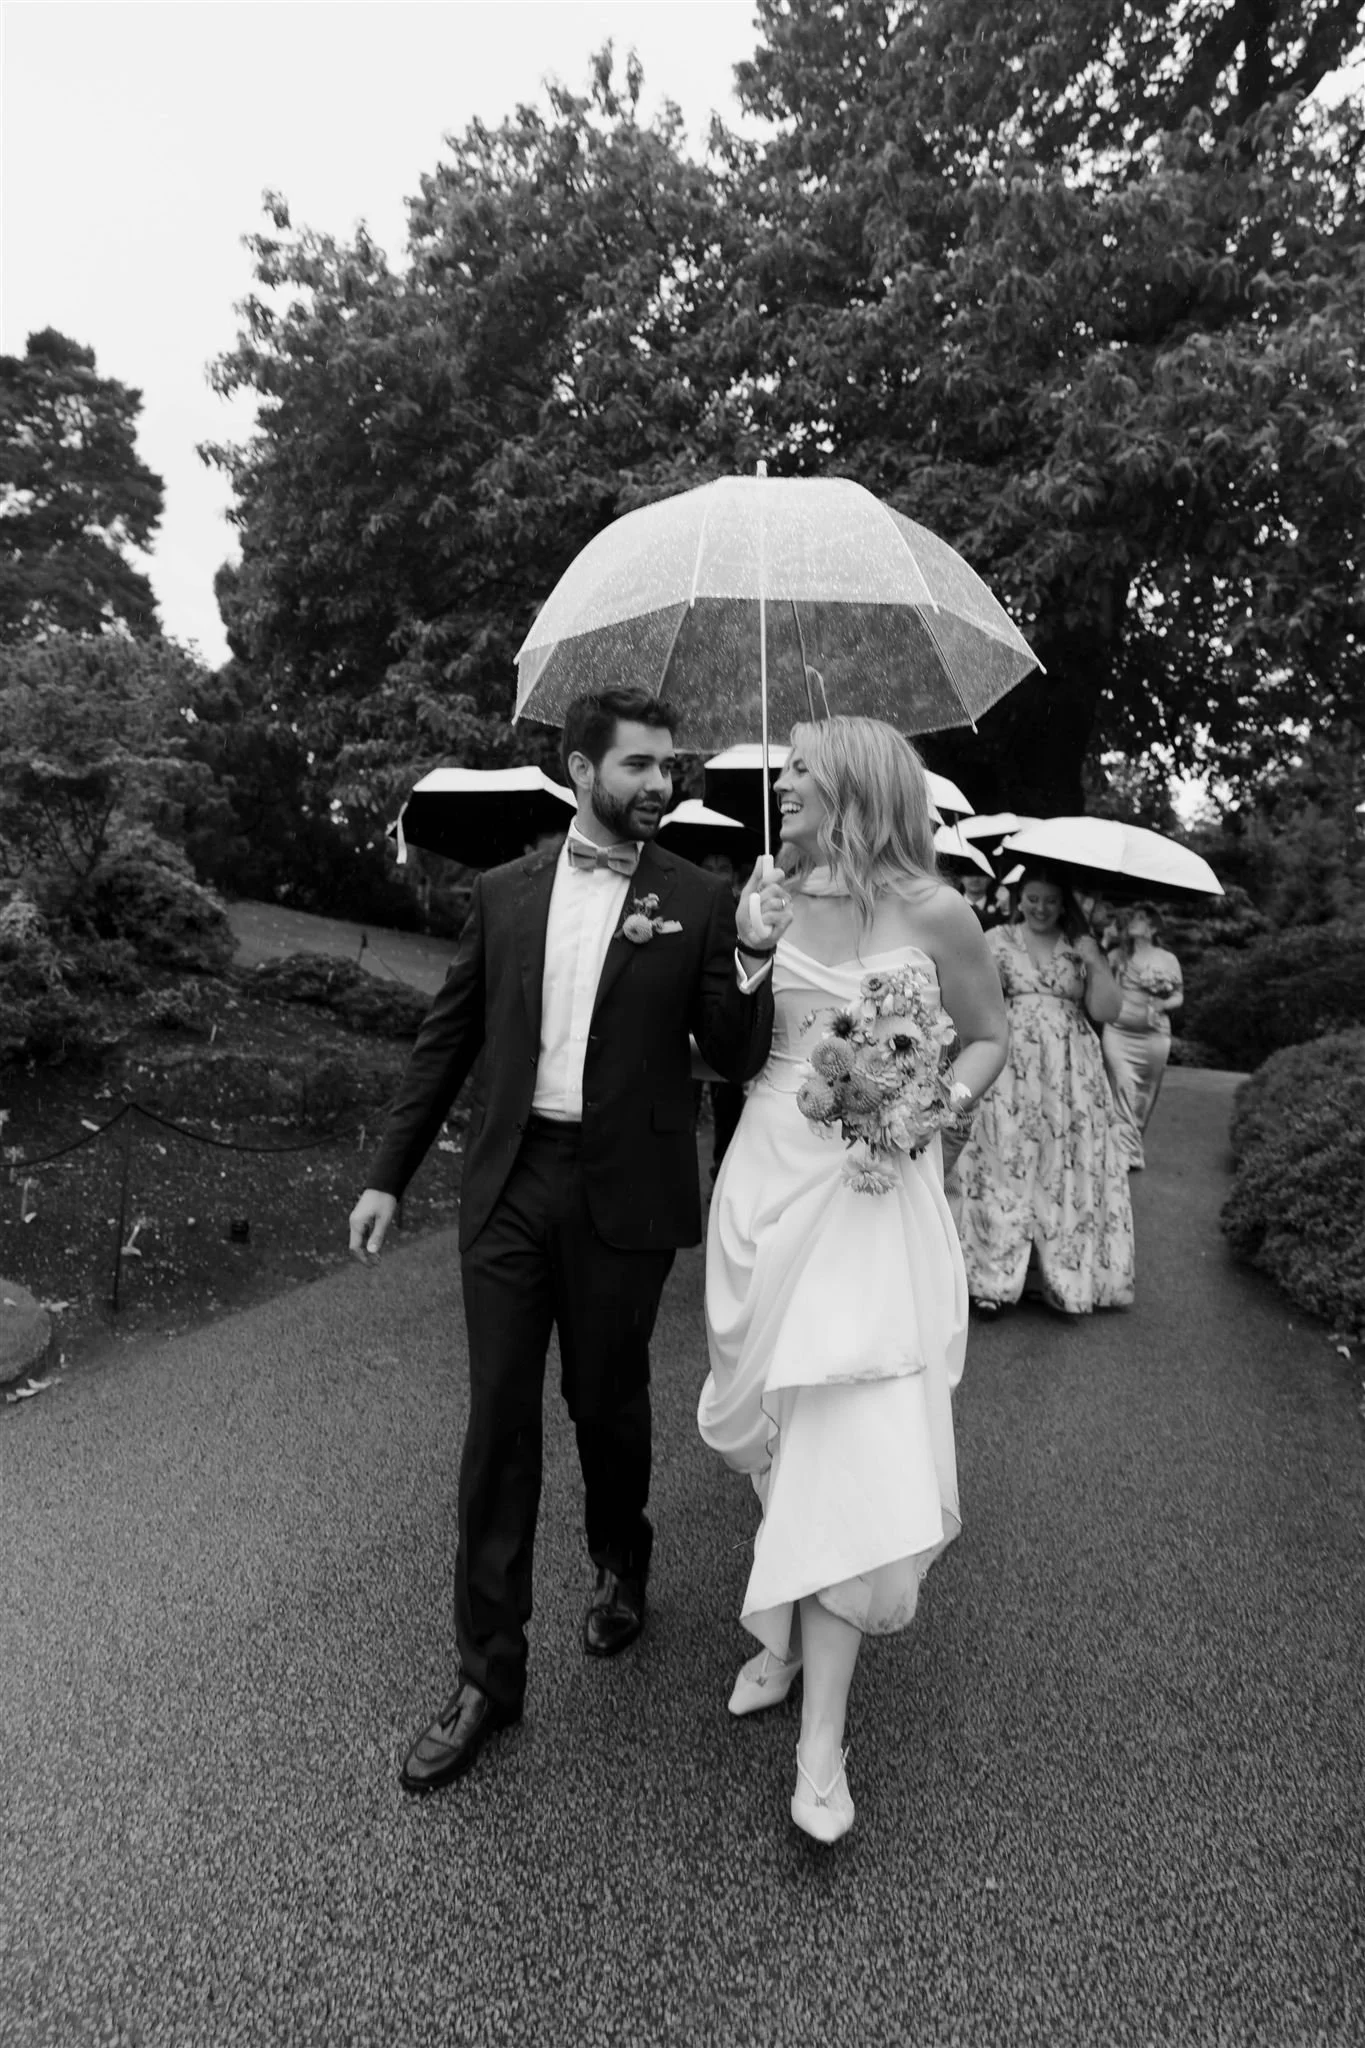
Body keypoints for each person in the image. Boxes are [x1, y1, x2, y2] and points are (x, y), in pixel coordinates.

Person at [349, 687, 782, 1795]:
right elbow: (446, 1039)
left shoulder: (699, 895)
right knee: (498, 1416)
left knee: (606, 1397)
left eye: (667, 767)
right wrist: (387, 1175)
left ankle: (621, 1554)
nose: (660, 784)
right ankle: (487, 1676)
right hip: (509, 1185)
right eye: (639, 765)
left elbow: (732, 1058)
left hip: (623, 1190)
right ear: (581, 769)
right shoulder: (503, 893)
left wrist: (751, 955)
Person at [697, 716, 1009, 1845]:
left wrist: (932, 1106)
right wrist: (742, 946)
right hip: (766, 1182)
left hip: (875, 1201)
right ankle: (778, 1625)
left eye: (799, 782)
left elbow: (986, 1036)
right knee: (764, 1426)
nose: (781, 797)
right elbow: (722, 1050)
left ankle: (820, 1741)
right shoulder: (769, 891)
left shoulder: (935, 911)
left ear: (858, 791)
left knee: (849, 1439)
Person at [949, 864, 1135, 1317]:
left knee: (1061, 1165)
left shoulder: (1081, 946)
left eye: (1051, 900)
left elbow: (1107, 1010)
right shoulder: (995, 941)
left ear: (1064, 903)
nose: (1041, 907)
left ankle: (1062, 1277)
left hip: (1070, 1075)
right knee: (1000, 1163)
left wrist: (1094, 962)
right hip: (1006, 1068)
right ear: (1019, 898)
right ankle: (989, 1279)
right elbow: (970, 1001)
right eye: (1033, 897)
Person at [1102, 902, 1184, 1170]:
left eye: (1139, 918)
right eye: (1132, 918)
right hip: (1119, 1032)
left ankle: (1133, 1146)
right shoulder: (1118, 956)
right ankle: (1124, 1152)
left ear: (1152, 927)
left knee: (1144, 1095)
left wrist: (1162, 1003)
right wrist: (1105, 941)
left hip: (1153, 1035)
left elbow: (1178, 996)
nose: (1133, 922)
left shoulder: (1167, 959)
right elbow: (1096, 979)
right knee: (1123, 1086)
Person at [696, 851, 750, 1184]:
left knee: (728, 1107)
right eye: (709, 867)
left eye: (724, 867)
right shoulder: (689, 901)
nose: (717, 874)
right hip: (691, 1020)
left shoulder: (747, 905)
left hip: (729, 1014)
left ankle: (722, 1173)